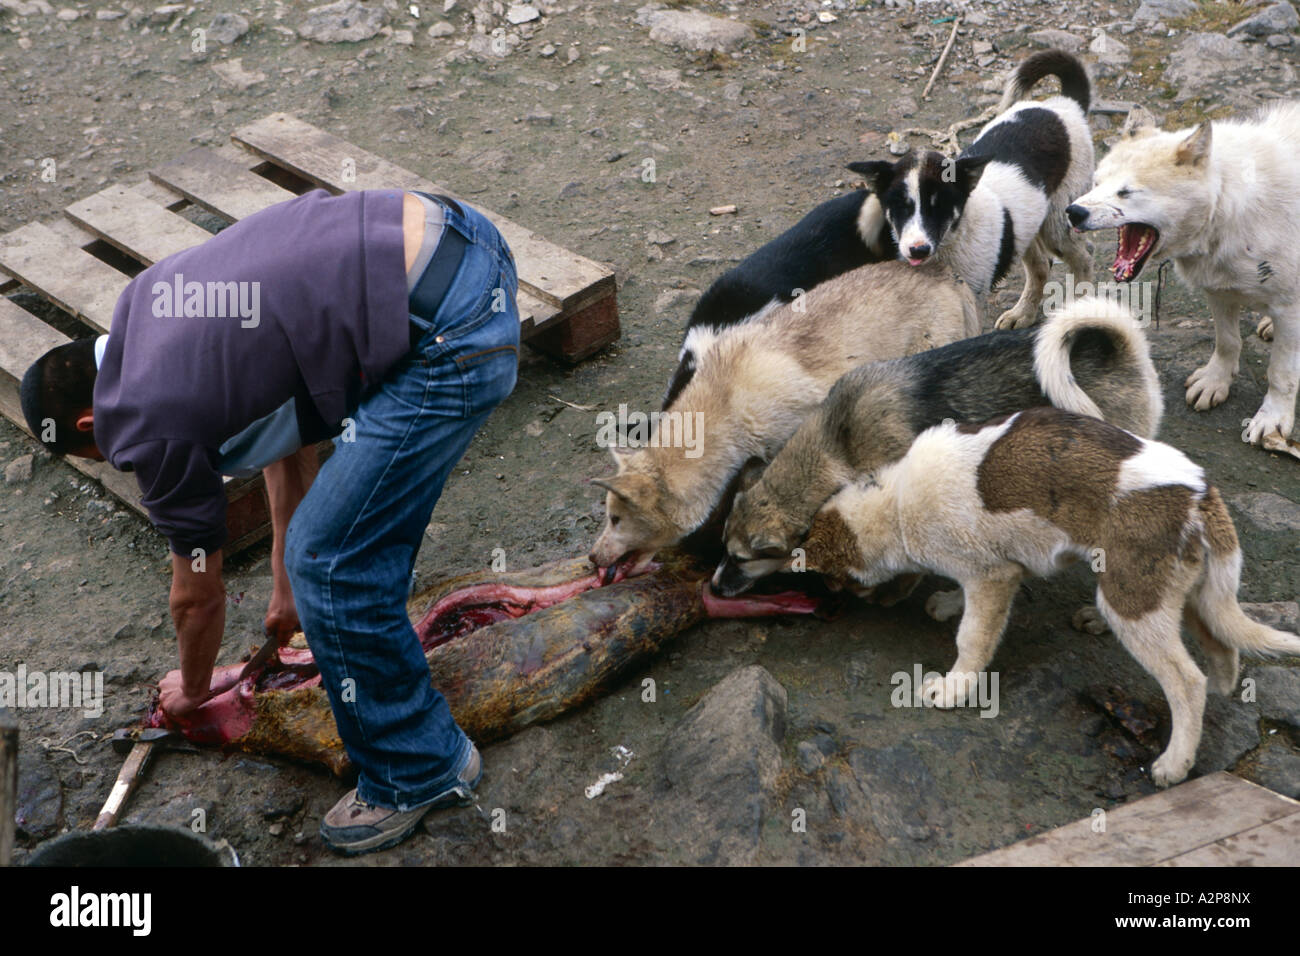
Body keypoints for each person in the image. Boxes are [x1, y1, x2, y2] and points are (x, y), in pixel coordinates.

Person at [19, 187, 520, 854]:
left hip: (453, 332)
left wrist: (193, 691)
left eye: (99, 455)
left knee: (334, 565)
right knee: (315, 559)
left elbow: (196, 596)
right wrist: (283, 583)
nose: (117, 462)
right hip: (465, 239)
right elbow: (289, 419)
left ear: (89, 423)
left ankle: (418, 769)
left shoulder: (141, 421)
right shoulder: (147, 302)